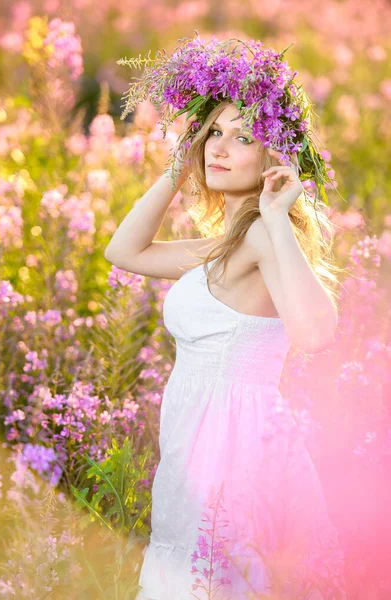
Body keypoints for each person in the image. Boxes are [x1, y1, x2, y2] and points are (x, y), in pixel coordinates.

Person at [106, 35, 349, 599]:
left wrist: (277, 215)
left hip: (233, 451)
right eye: (214, 131)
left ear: (273, 157)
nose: (219, 147)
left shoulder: (264, 235)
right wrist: (179, 161)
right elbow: (125, 252)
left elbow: (316, 334)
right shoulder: (224, 245)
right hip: (196, 444)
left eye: (244, 137)